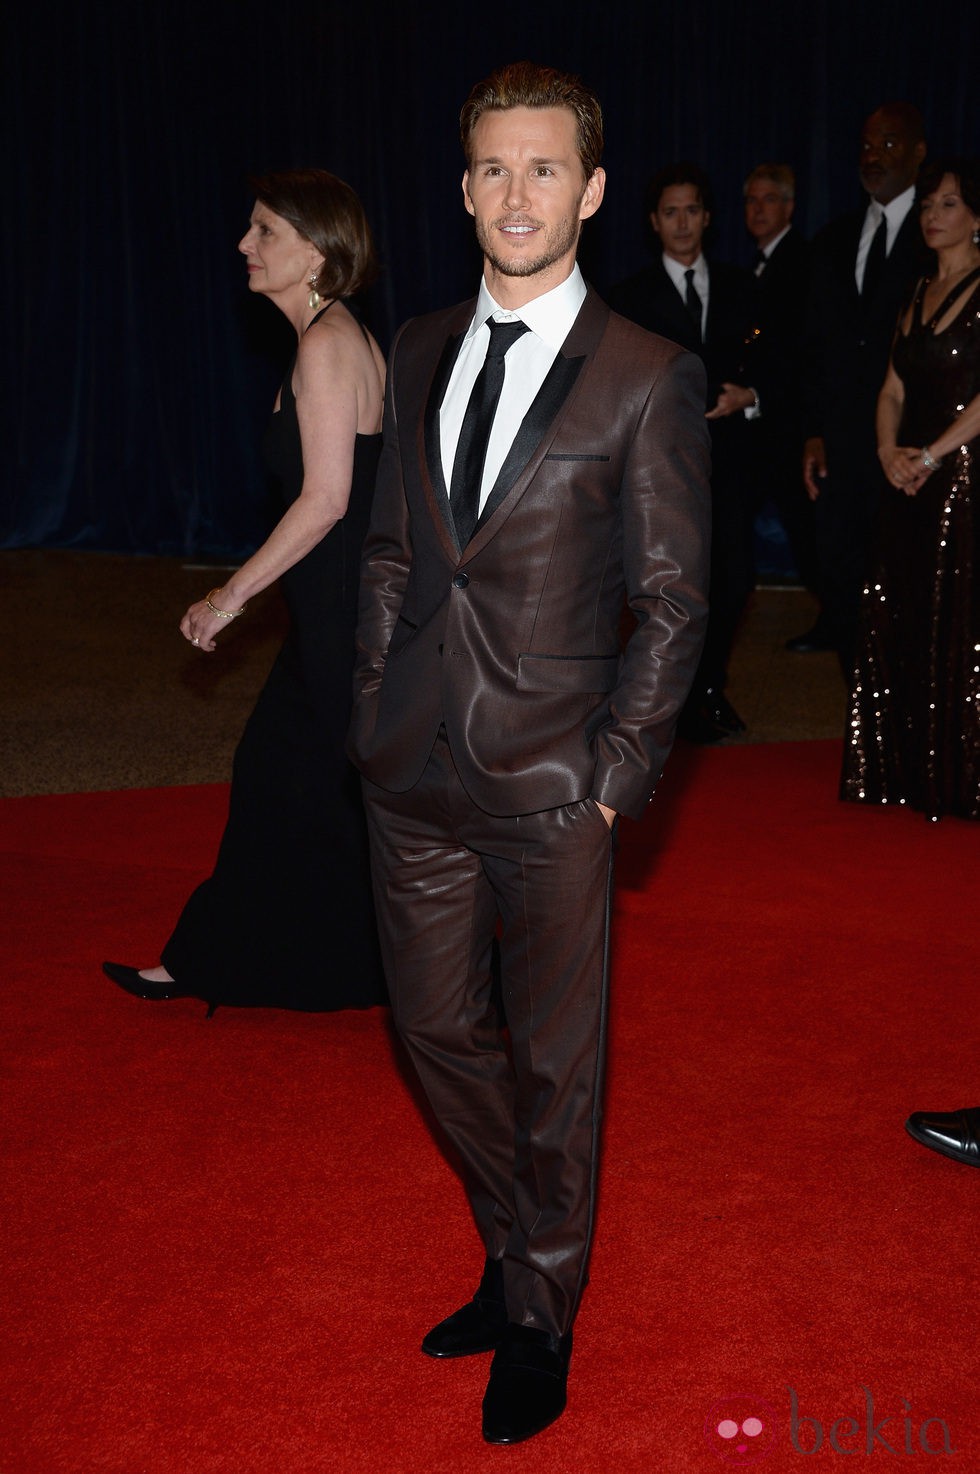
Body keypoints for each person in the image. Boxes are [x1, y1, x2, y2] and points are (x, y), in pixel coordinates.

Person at [347, 62, 710, 1445]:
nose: (517, 193)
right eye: (494, 168)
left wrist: (615, 780)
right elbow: (390, 548)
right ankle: (521, 1250)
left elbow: (676, 602)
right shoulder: (422, 341)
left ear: (594, 190)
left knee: (558, 1065)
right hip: (411, 772)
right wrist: (376, 701)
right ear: (463, 187)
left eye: (544, 168)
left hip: (561, 785)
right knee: (434, 1029)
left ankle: (542, 1307)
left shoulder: (647, 376)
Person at [103, 169, 388, 1014]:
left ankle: (233, 963)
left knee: (302, 782)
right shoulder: (338, 339)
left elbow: (327, 499)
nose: (244, 245)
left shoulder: (328, 345)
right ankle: (334, 966)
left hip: (340, 616)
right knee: (309, 788)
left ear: (315, 250)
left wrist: (229, 598)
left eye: (264, 230)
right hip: (334, 614)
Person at [841, 156, 980, 821]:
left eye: (947, 205)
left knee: (960, 621)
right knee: (901, 610)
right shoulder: (913, 292)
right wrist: (887, 452)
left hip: (963, 476)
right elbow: (890, 389)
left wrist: (930, 454)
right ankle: (909, 771)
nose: (931, 216)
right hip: (909, 476)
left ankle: (960, 777)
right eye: (927, 206)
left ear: (977, 215)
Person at [608, 163, 758, 742]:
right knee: (668, 586)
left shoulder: (746, 287)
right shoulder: (628, 297)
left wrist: (752, 395)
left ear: (708, 218)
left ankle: (711, 687)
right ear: (654, 222)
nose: (682, 222)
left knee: (734, 579)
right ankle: (671, 699)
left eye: (692, 210)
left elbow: (781, 368)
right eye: (670, 212)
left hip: (732, 462)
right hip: (660, 469)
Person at [791, 102, 931, 669]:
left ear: (919, 153)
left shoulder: (939, 238)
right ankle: (861, 701)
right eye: (868, 146)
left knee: (907, 576)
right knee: (842, 563)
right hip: (844, 440)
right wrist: (813, 431)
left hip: (913, 441)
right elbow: (815, 347)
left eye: (889, 144)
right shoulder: (833, 239)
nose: (874, 157)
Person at [741, 163, 815, 590]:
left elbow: (797, 348)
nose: (758, 209)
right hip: (765, 419)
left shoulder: (801, 262)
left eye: (769, 199)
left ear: (789, 206)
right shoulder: (760, 263)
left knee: (806, 525)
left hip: (789, 419)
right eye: (751, 200)